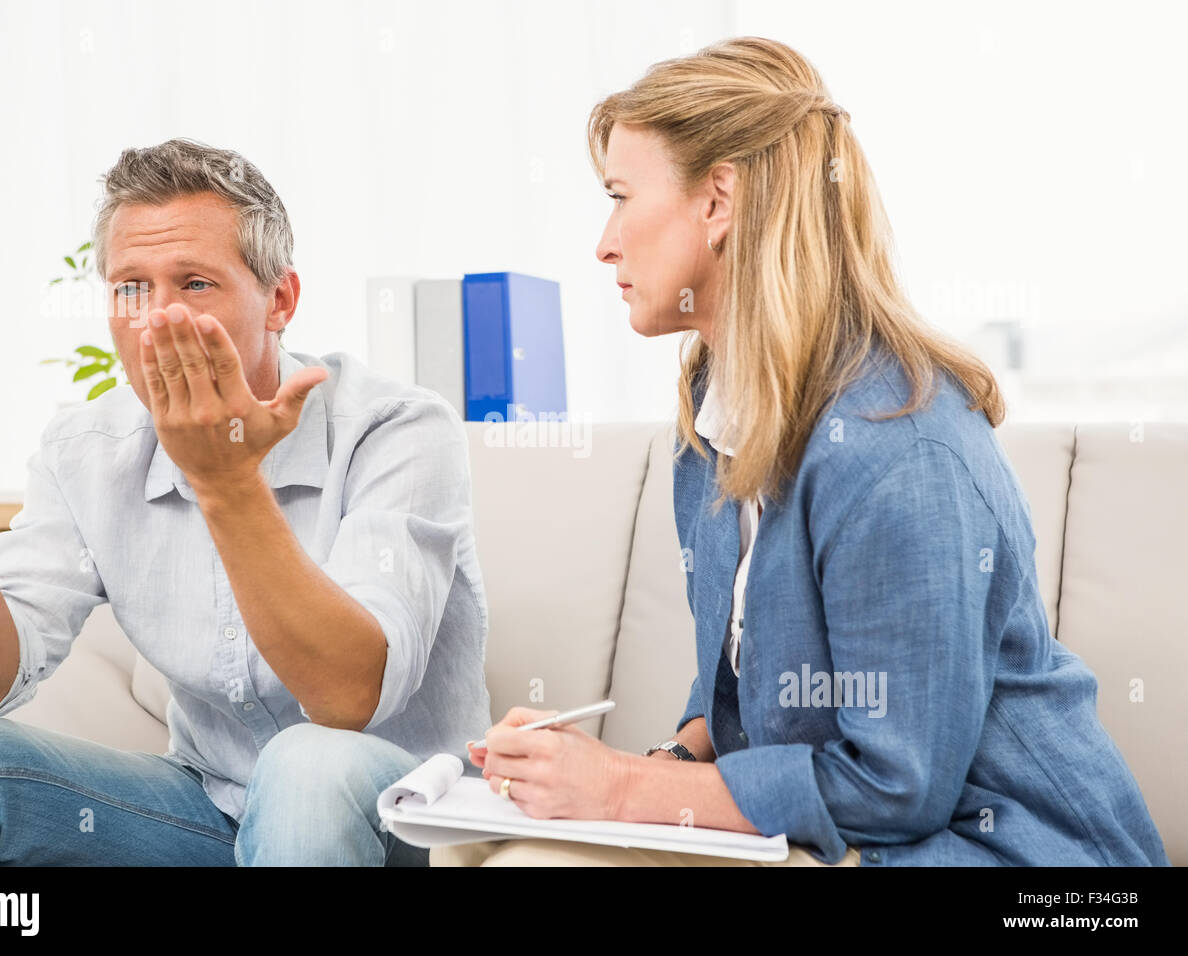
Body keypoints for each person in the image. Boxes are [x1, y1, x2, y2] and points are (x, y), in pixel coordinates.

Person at [436, 37, 1170, 867]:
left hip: (1008, 860)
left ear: (718, 202)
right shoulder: (714, 421)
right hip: (849, 839)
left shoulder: (899, 450)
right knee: (470, 846)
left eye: (619, 196)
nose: (603, 244)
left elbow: (898, 785)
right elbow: (744, 684)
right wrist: (652, 766)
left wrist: (618, 790)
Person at [0, 137, 490, 866]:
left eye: (196, 283)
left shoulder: (397, 429)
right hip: (205, 809)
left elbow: (346, 698)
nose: (158, 321)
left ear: (281, 300)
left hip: (403, 813)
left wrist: (225, 481)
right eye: (131, 288)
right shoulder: (87, 449)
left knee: (308, 765)